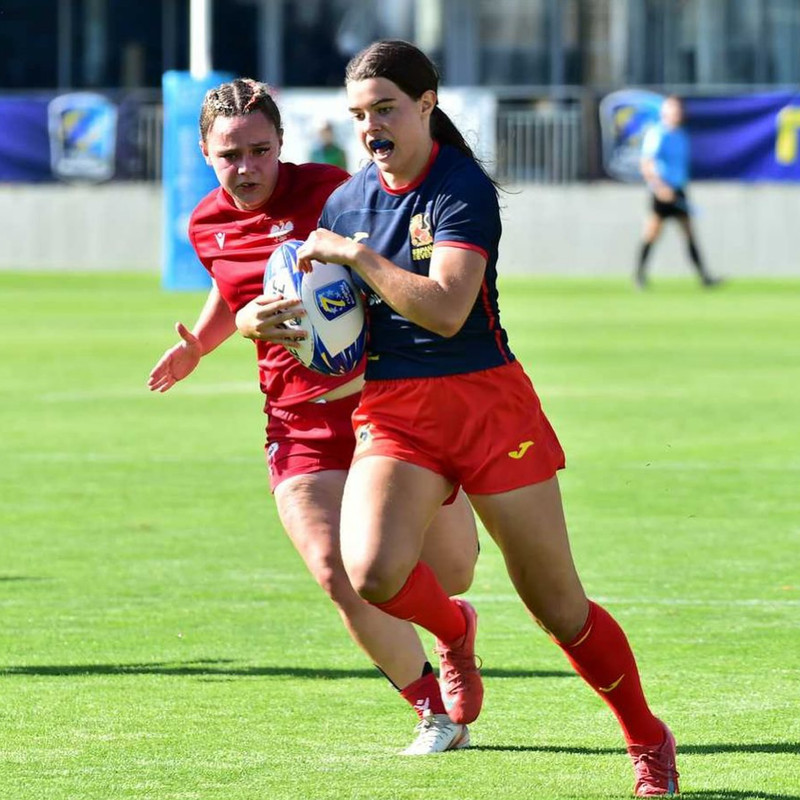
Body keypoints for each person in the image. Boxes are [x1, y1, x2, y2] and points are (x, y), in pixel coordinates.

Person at [295, 40, 681, 796]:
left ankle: (646, 736)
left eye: (385, 109)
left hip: (488, 405)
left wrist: (357, 257)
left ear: (426, 104)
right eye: (358, 114)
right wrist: (293, 322)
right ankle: (455, 631)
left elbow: (445, 309)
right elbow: (339, 333)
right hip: (398, 410)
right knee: (371, 574)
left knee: (558, 608)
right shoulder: (347, 201)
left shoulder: (459, 187)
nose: (371, 127)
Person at [147, 77, 481, 755]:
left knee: (449, 574)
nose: (246, 168)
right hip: (297, 427)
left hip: (389, 410)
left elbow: (402, 273)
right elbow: (237, 288)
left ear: (282, 145)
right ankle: (434, 712)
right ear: (207, 155)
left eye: (259, 151)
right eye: (228, 156)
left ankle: (454, 627)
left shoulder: (338, 193)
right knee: (339, 570)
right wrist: (209, 342)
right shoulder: (204, 223)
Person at [636, 95, 720, 290]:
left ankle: (704, 277)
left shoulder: (681, 135)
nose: (677, 114)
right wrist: (660, 188)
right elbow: (646, 164)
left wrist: (677, 187)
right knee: (652, 233)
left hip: (678, 190)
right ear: (665, 112)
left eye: (679, 110)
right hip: (662, 192)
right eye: (673, 110)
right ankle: (639, 276)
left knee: (689, 234)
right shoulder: (658, 134)